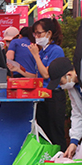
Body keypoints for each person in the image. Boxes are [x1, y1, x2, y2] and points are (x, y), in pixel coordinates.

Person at [29, 18, 66, 150]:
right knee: (44, 133)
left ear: (49, 33)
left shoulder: (55, 50)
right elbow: (37, 76)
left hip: (53, 96)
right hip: (42, 96)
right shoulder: (43, 51)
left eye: (39, 33)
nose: (36, 37)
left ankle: (62, 161)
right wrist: (18, 70)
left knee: (55, 133)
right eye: (35, 34)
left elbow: (46, 74)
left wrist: (35, 55)